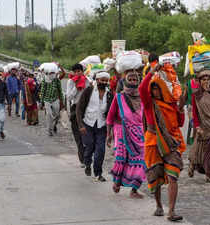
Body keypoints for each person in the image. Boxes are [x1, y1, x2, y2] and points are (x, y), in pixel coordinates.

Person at [139, 63, 186, 222]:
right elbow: (141, 89)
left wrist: (180, 108)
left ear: (163, 89)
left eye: (157, 88)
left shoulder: (171, 105)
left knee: (173, 175)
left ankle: (171, 211)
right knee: (156, 178)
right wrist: (152, 72)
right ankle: (159, 205)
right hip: (153, 143)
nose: (154, 91)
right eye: (152, 89)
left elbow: (179, 122)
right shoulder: (148, 104)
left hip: (171, 143)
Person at [106, 71, 146, 199]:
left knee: (140, 160)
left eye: (136, 79)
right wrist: (109, 134)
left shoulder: (142, 97)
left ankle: (134, 189)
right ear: (126, 81)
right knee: (122, 158)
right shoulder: (119, 97)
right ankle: (117, 182)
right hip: (121, 131)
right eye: (131, 79)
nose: (134, 80)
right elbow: (110, 116)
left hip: (139, 133)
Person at [76, 71, 113, 182]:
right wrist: (80, 125)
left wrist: (110, 130)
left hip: (102, 126)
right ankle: (87, 163)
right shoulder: (89, 91)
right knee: (89, 146)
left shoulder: (110, 94)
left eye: (106, 80)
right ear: (97, 80)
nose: (104, 82)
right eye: (102, 80)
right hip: (88, 124)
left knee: (100, 150)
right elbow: (79, 108)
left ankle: (98, 173)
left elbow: (111, 112)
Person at [66, 63, 91, 168]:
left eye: (79, 71)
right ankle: (83, 159)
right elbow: (69, 97)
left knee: (87, 134)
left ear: (82, 71)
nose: (77, 73)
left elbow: (90, 95)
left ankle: (88, 156)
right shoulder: (70, 82)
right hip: (75, 109)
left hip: (86, 109)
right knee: (78, 136)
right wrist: (76, 87)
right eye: (75, 72)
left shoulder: (87, 81)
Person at [39, 66, 65, 136]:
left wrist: (62, 102)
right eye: (51, 73)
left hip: (55, 99)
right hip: (47, 100)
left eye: (53, 73)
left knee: (57, 115)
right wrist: (41, 102)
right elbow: (42, 91)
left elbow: (60, 91)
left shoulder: (57, 80)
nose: (52, 74)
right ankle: (49, 130)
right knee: (49, 114)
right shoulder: (45, 80)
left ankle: (53, 125)